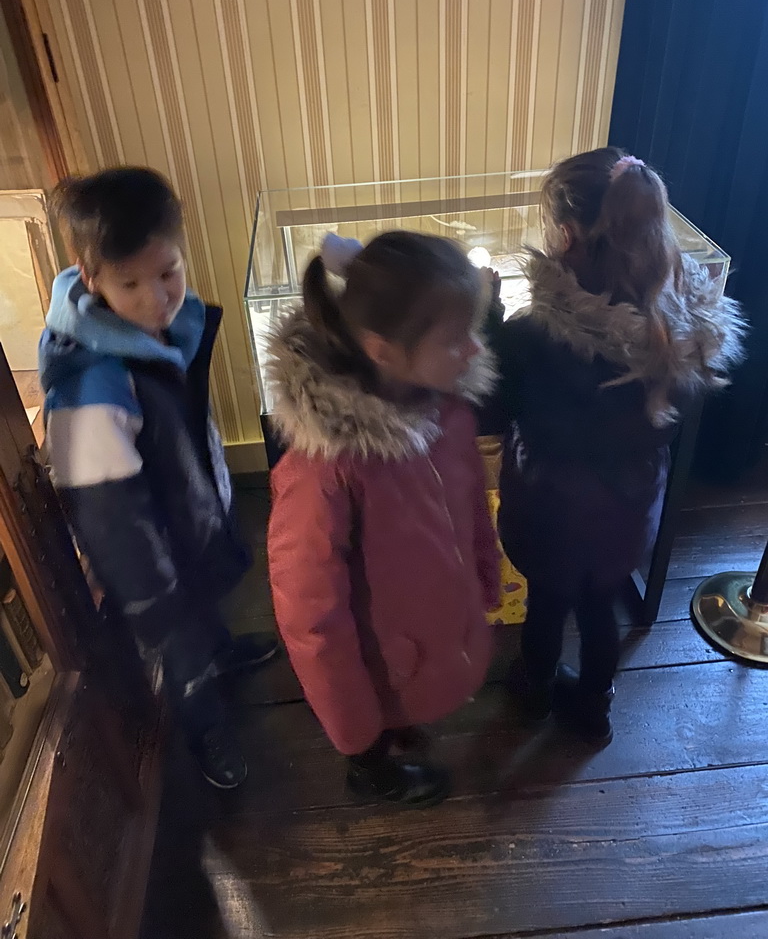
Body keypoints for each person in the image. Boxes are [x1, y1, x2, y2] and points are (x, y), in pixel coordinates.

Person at [480, 147, 747, 744]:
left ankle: (532, 690)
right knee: (600, 605)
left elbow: (493, 405)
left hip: (550, 510)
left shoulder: (538, 336)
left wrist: (486, 318)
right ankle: (594, 708)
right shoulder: (675, 325)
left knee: (548, 603)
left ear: (568, 235)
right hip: (627, 512)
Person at [39, 167, 278, 789]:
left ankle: (220, 651)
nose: (156, 298)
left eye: (168, 272)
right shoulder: (91, 381)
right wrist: (150, 591)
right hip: (149, 555)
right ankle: (203, 727)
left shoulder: (163, 330)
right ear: (91, 280)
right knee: (180, 649)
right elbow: (106, 507)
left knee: (207, 608)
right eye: (130, 283)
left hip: (186, 511)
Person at [266, 230, 500, 808]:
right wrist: (354, 727)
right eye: (454, 339)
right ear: (383, 350)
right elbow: (311, 616)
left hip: (426, 644)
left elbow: (471, 504)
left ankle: (397, 722)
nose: (474, 350)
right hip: (378, 664)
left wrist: (484, 575)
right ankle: (370, 771)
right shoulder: (324, 471)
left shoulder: (446, 413)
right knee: (370, 735)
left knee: (401, 709)